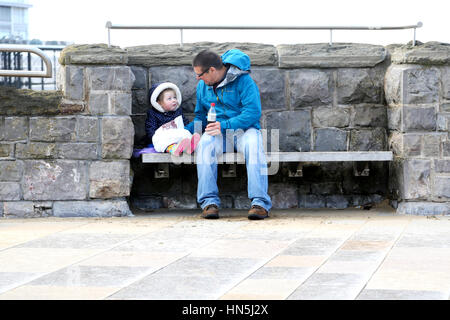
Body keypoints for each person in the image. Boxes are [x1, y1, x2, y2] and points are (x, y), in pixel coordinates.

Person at [185, 49, 272, 220]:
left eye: (200, 74)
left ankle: (260, 204)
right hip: (217, 134)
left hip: (245, 131)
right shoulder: (203, 85)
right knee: (204, 145)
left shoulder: (244, 81)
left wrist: (224, 125)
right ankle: (209, 203)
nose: (197, 78)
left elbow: (253, 112)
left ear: (212, 70)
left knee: (254, 146)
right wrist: (184, 132)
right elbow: (201, 117)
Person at [145, 82, 200, 156]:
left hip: (177, 137)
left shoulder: (178, 111)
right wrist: (154, 138)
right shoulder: (153, 113)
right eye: (169, 99)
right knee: (162, 141)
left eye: (174, 97)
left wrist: (188, 131)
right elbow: (150, 129)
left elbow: (184, 123)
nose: (174, 100)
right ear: (159, 103)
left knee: (185, 133)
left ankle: (189, 146)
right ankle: (175, 149)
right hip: (163, 138)